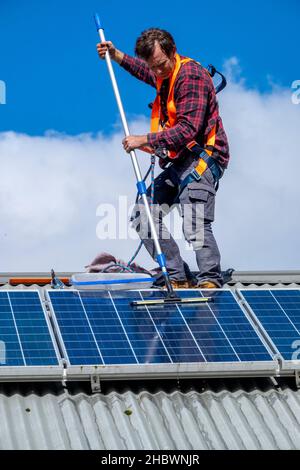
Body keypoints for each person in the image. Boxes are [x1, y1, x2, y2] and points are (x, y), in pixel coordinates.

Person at [97, 28, 230, 289]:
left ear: (172, 51)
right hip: (178, 161)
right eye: (152, 67)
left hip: (201, 158)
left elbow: (188, 130)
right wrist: (116, 55)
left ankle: (209, 281)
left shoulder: (191, 76)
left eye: (159, 65)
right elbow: (145, 71)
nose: (156, 72)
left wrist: (143, 140)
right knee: (143, 214)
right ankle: (176, 275)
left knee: (194, 220)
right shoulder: (163, 73)